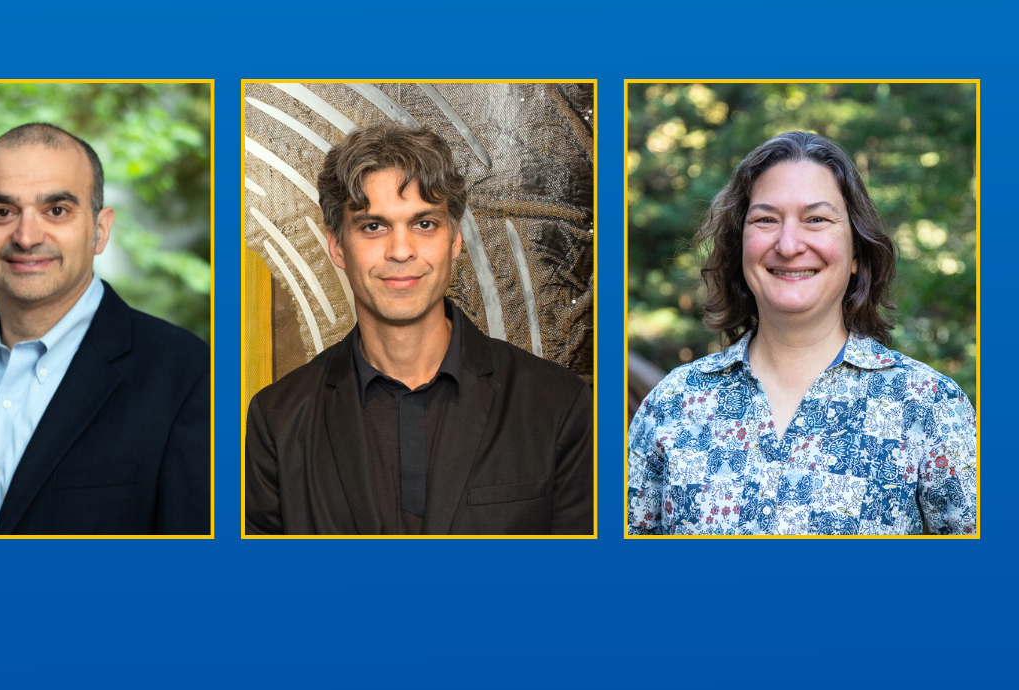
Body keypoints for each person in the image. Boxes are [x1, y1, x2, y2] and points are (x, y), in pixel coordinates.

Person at [244, 125, 593, 535]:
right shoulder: (279, 419)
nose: (401, 251)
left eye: (424, 224)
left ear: (455, 240)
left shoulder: (556, 404)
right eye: (373, 226)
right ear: (337, 246)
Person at [627, 131, 977, 536]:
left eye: (816, 220)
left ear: (856, 252)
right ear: (740, 246)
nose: (789, 245)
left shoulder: (929, 406)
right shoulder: (672, 404)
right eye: (766, 220)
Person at [0, 123, 210, 535]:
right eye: (3, 212)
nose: (26, 236)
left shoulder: (188, 376)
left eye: (56, 210)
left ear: (100, 230)